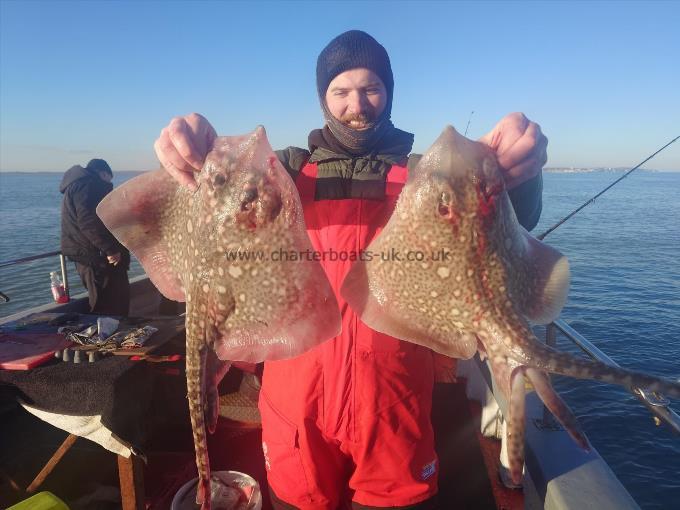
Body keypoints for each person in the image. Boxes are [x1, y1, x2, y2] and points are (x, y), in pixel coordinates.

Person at [154, 30, 546, 510]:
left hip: (394, 399)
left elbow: (511, 224)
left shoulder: (427, 175)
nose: (356, 104)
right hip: (297, 400)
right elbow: (213, 208)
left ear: (389, 93)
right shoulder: (284, 174)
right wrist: (189, 149)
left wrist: (517, 176)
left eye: (371, 89)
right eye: (340, 91)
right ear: (324, 99)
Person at [60, 158, 131, 316]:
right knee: (107, 301)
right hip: (95, 256)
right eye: (108, 178)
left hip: (84, 254)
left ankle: (111, 333)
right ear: (103, 173)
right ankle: (109, 336)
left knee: (104, 298)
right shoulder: (89, 185)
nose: (108, 183)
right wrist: (110, 249)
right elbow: (88, 221)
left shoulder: (76, 186)